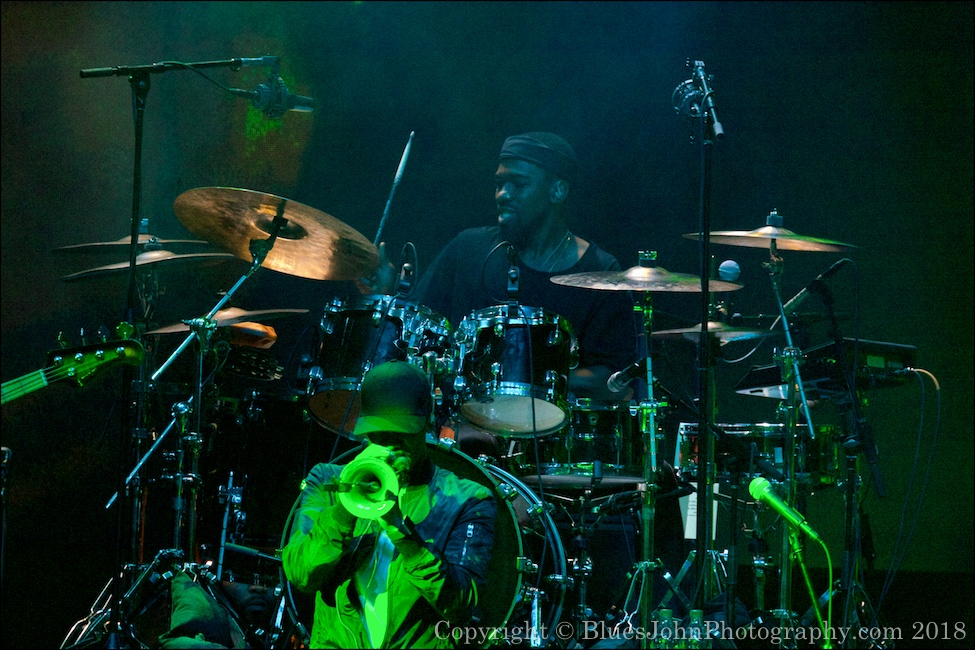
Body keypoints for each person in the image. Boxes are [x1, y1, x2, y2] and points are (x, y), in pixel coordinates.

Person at [359, 132, 642, 453]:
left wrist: (528, 375)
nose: (503, 194)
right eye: (499, 184)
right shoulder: (468, 249)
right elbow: (418, 332)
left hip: (552, 447)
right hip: (454, 437)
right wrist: (385, 292)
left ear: (558, 190)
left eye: (518, 184)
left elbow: (614, 381)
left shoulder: (602, 272)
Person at [281, 360, 498, 648]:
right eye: (379, 436)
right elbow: (301, 575)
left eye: (402, 434)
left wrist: (403, 534)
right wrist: (346, 504)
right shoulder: (328, 481)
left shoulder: (468, 498)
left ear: (426, 425)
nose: (390, 446)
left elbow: (460, 605)